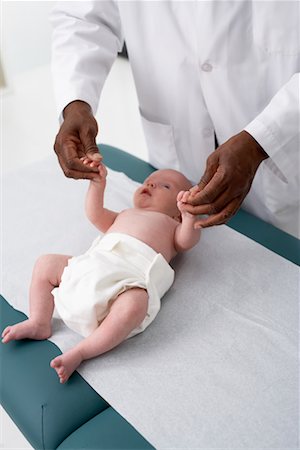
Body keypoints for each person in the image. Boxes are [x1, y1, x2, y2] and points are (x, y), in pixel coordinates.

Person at [50, 1, 299, 238]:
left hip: (284, 146)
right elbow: (82, 18)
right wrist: (75, 100)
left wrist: (262, 139)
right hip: (178, 142)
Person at [1, 161, 200, 383]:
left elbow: (186, 241)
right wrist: (97, 185)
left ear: (177, 213)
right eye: (149, 181)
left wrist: (190, 216)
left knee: (136, 302)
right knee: (46, 263)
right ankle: (39, 321)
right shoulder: (124, 214)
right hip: (90, 270)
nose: (152, 183)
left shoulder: (172, 225)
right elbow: (94, 213)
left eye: (165, 186)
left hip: (128, 281)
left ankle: (82, 351)